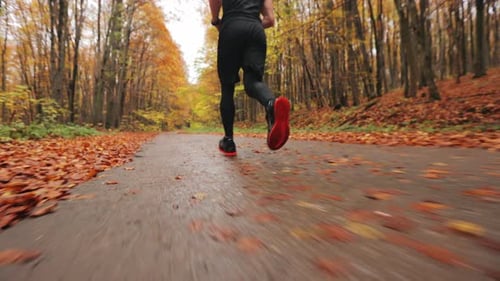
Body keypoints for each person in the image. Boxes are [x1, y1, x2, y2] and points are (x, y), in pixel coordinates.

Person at [209, 0, 290, 157]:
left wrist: (215, 20)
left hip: (231, 26)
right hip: (255, 29)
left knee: (227, 87)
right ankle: (272, 105)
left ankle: (229, 141)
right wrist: (252, 23)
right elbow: (270, 20)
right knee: (253, 82)